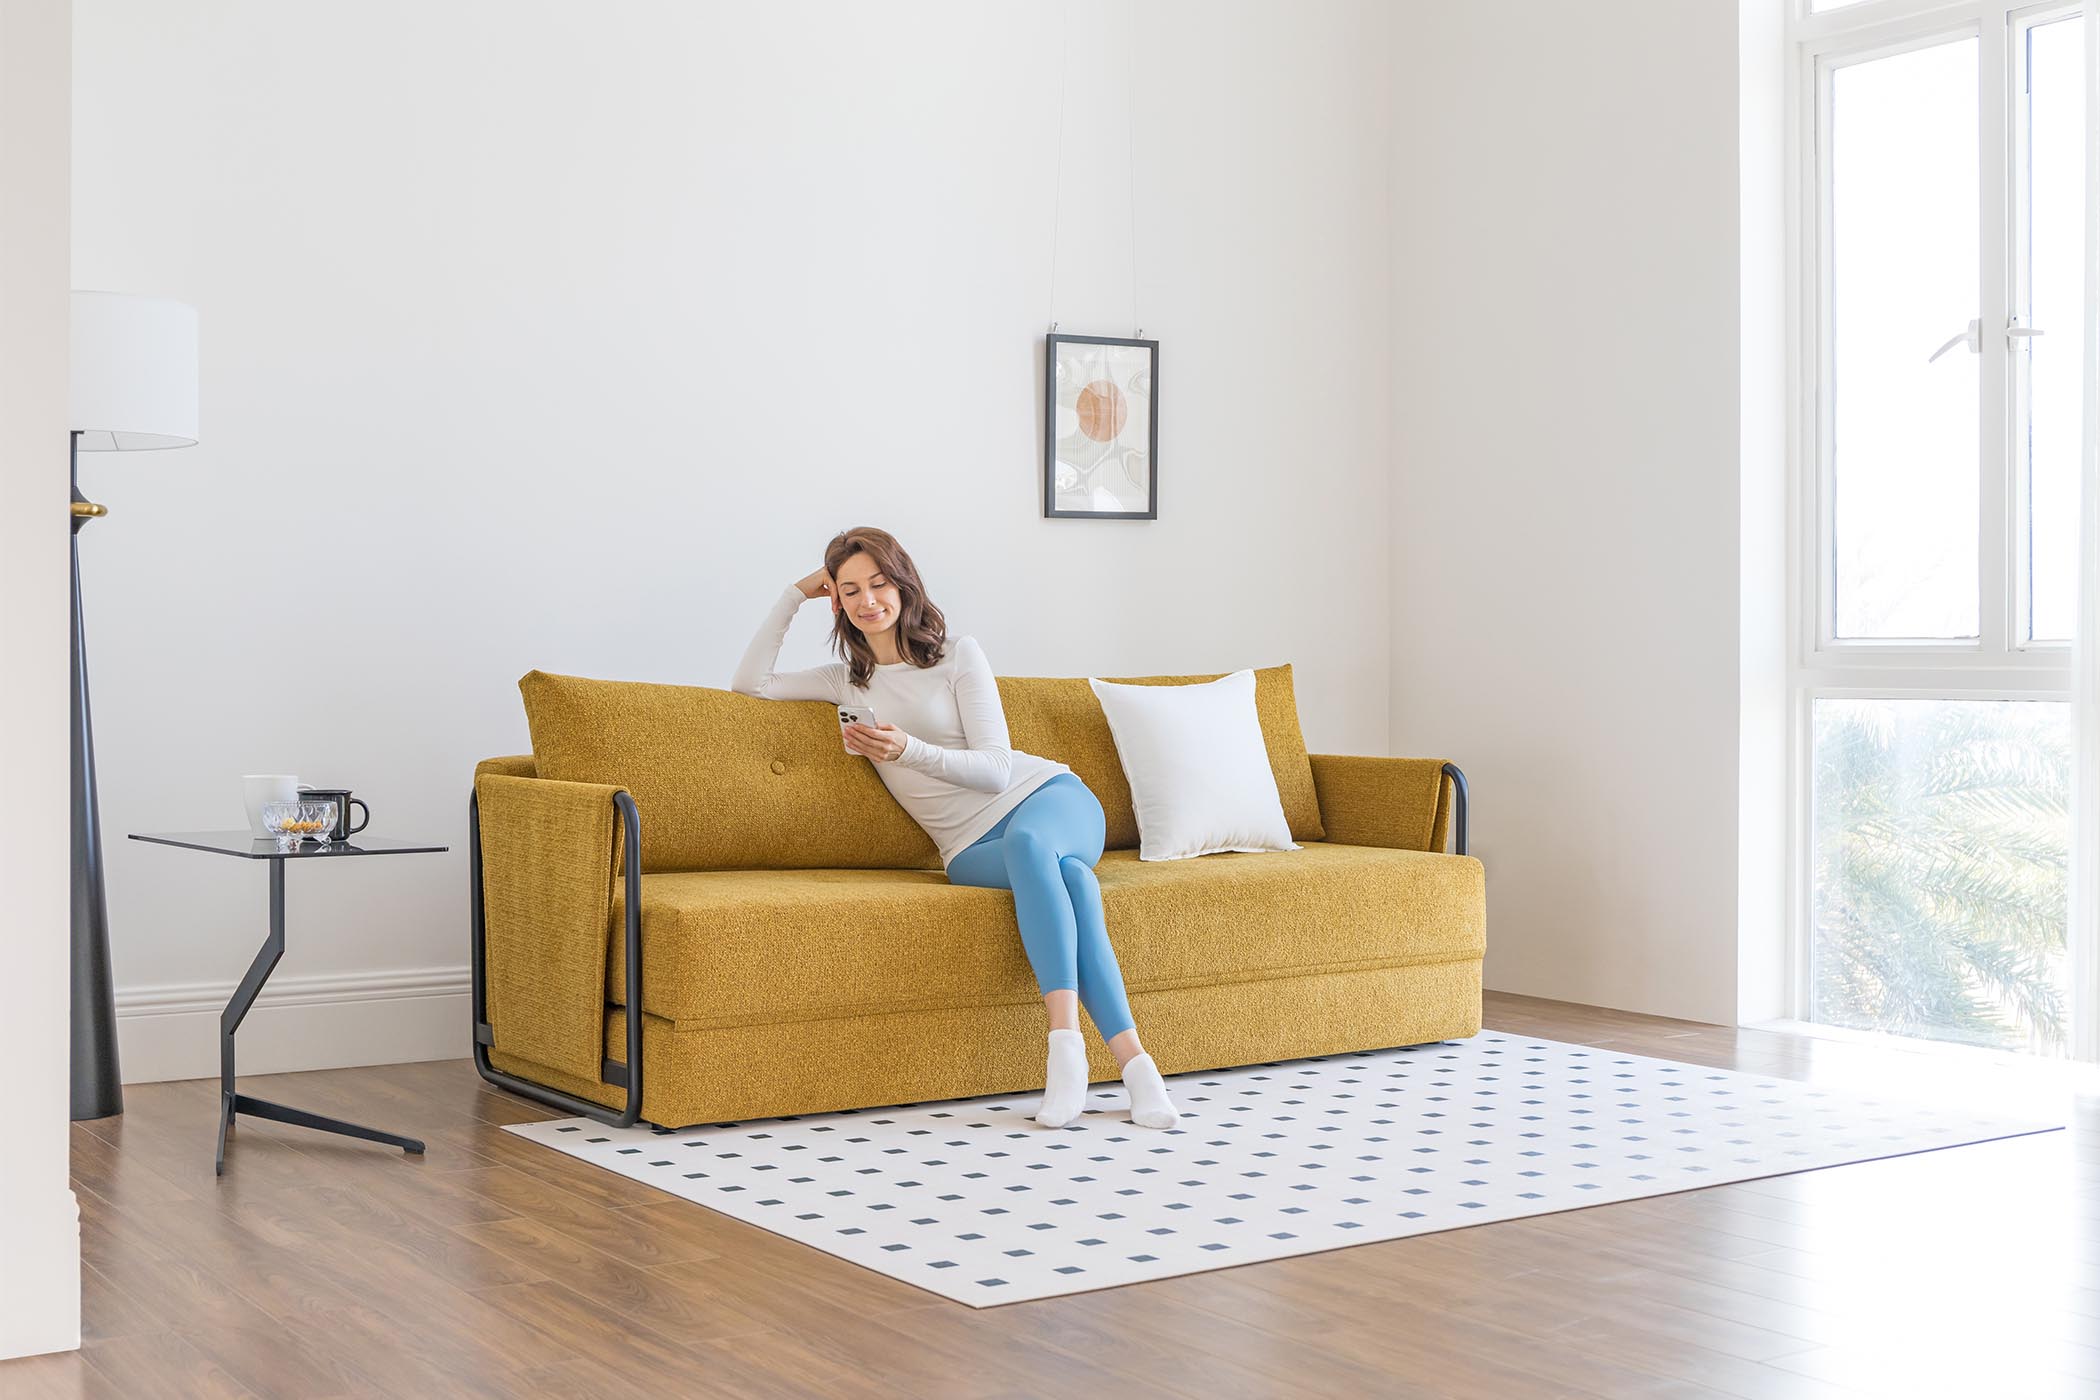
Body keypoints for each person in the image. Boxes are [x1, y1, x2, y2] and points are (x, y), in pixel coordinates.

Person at [727, 526, 1179, 1129]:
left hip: (1048, 801)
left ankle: (1064, 1048)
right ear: (836, 600)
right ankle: (1137, 1068)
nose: (869, 601)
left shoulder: (957, 655)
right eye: (851, 589)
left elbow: (996, 770)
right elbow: (749, 684)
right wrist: (793, 594)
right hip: (966, 849)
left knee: (1034, 845)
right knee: (1075, 882)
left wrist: (905, 749)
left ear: (903, 583)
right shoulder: (846, 681)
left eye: (880, 583)